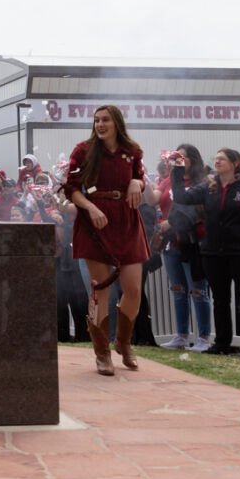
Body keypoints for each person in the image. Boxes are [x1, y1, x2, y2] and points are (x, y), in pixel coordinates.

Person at [62, 105, 149, 376]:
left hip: (127, 221)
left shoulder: (132, 150)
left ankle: (123, 343)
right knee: (101, 291)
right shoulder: (83, 150)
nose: (100, 124)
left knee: (133, 289)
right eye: (97, 120)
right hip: (95, 222)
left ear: (117, 123)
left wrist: (137, 183)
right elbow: (71, 189)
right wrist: (91, 207)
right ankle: (102, 352)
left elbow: (140, 177)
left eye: (105, 120)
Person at [173, 150, 240, 360]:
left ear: (235, 163)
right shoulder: (209, 188)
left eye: (222, 159)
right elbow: (182, 197)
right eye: (215, 158)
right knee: (220, 299)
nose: (216, 161)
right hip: (212, 254)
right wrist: (178, 169)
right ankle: (222, 343)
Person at [158, 143, 211, 351]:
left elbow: (198, 210)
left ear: (193, 160)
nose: (179, 162)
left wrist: (172, 222)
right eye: (176, 158)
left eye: (183, 158)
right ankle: (181, 335)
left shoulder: (203, 182)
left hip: (194, 243)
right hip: (173, 242)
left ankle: (204, 337)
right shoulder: (170, 180)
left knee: (198, 290)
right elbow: (154, 198)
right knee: (178, 289)